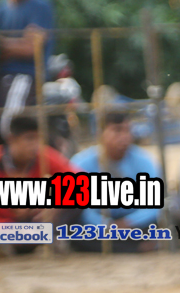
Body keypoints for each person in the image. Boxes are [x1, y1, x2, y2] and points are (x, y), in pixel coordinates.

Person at [0, 116, 79, 255]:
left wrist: (56, 205)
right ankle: (6, 246)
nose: (35, 145)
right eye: (30, 138)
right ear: (11, 139)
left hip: (34, 223)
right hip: (2, 227)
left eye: (39, 139)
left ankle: (44, 239)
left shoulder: (42, 155)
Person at [68, 108, 164, 252]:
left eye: (127, 130)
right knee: (75, 228)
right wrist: (107, 225)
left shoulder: (145, 161)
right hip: (98, 225)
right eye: (117, 130)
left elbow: (154, 206)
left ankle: (127, 247)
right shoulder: (81, 163)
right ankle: (137, 248)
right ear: (100, 134)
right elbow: (82, 209)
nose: (125, 136)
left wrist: (129, 222)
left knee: (160, 222)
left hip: (135, 224)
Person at [0, 0, 56, 134]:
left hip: (28, 76)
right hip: (0, 76)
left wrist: (2, 43)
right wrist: (16, 43)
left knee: (10, 125)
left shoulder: (41, 6)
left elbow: (31, 48)